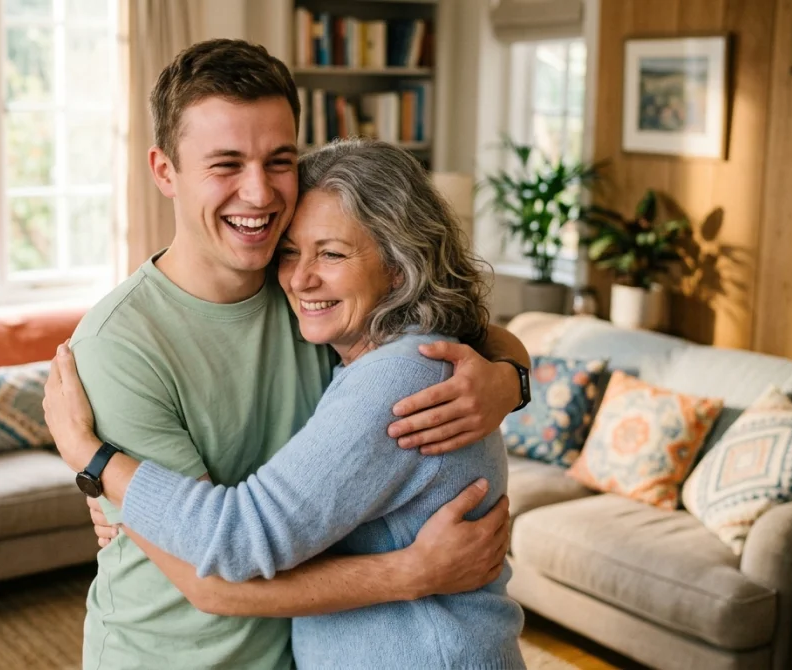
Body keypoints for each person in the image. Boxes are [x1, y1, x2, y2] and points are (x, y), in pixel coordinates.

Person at [49, 39, 530, 669]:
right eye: (225, 164)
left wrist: (508, 379)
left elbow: (453, 330)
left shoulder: (314, 306)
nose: (258, 193)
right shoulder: (119, 346)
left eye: (279, 161)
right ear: (164, 170)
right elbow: (211, 577)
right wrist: (412, 572)